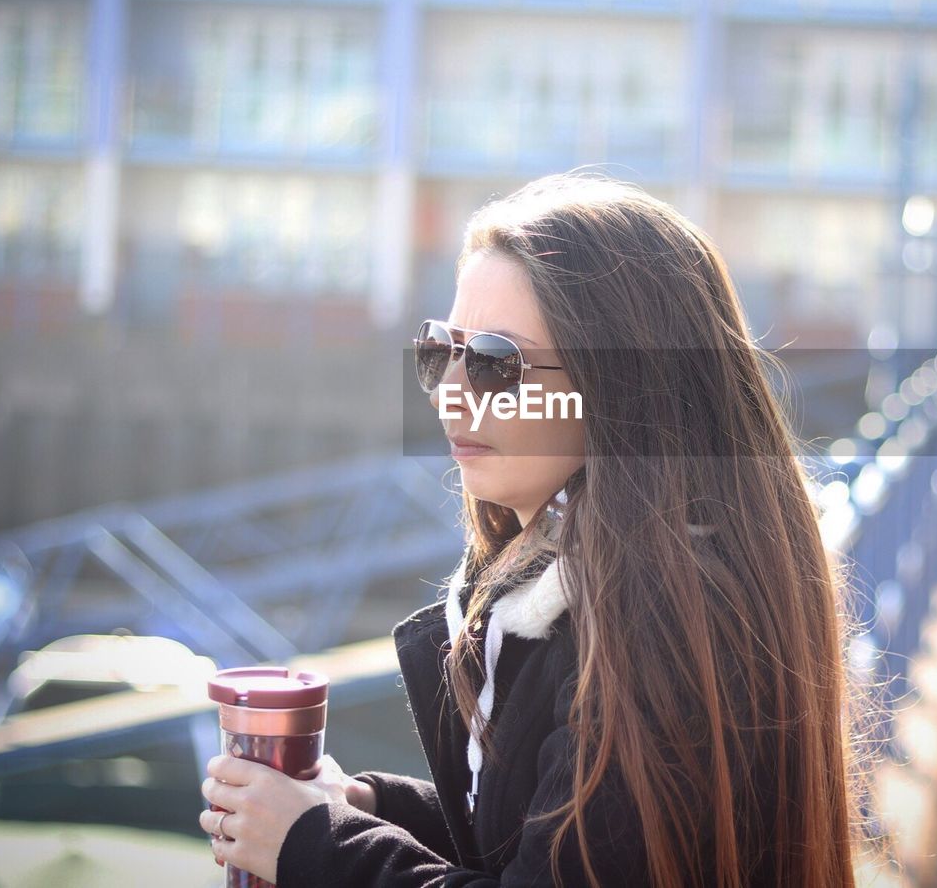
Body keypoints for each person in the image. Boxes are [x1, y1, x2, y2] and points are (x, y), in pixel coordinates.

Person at [199, 172, 868, 886]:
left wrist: (315, 845)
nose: (451, 390)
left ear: (618, 389)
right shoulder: (623, 582)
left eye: (493, 362)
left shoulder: (659, 620)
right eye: (439, 351)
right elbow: (566, 833)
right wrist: (358, 809)